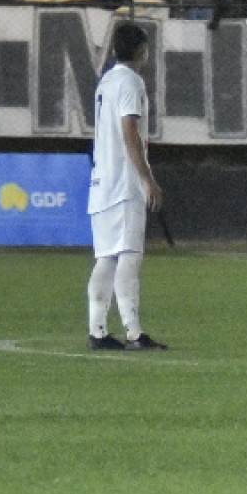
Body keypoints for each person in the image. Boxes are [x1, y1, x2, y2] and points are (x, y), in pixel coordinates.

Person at [85, 24, 166, 352]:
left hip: (101, 181)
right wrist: (146, 178)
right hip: (123, 183)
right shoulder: (131, 82)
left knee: (106, 257)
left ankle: (97, 331)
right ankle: (134, 332)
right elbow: (129, 130)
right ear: (141, 50)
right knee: (130, 255)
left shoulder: (106, 81)